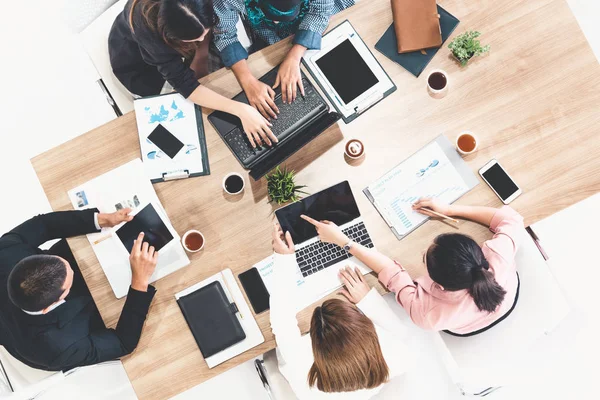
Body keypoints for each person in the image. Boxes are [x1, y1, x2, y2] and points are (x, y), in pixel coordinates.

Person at [301, 198, 525, 336]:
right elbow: (511, 219)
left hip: (464, 327)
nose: (422, 252)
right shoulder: (499, 255)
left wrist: (344, 241)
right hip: (508, 297)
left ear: (438, 285)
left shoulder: (426, 314)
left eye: (424, 257)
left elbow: (392, 272)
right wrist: (448, 209)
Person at [0, 208, 158, 371]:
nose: (73, 270)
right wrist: (140, 281)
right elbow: (123, 343)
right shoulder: (56, 348)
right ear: (52, 305)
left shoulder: (5, 252)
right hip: (89, 318)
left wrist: (100, 220)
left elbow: (43, 225)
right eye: (70, 279)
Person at [270, 223, 412, 399]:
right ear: (368, 330)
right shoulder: (399, 357)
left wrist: (283, 260)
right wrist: (367, 298)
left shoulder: (305, 370)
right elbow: (395, 330)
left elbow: (281, 322)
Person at [109, 0, 276, 148]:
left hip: (180, 39)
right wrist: (240, 110)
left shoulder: (195, 17)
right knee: (180, 120)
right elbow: (182, 82)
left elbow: (205, 30)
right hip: (139, 65)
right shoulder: (146, 27)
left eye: (206, 29)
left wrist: (201, 55)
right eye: (195, 38)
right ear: (171, 35)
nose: (203, 38)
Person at [213, 0, 354, 118]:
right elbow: (224, 35)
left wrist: (295, 55)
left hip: (321, 24)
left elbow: (320, 11)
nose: (275, 21)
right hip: (270, 39)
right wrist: (247, 81)